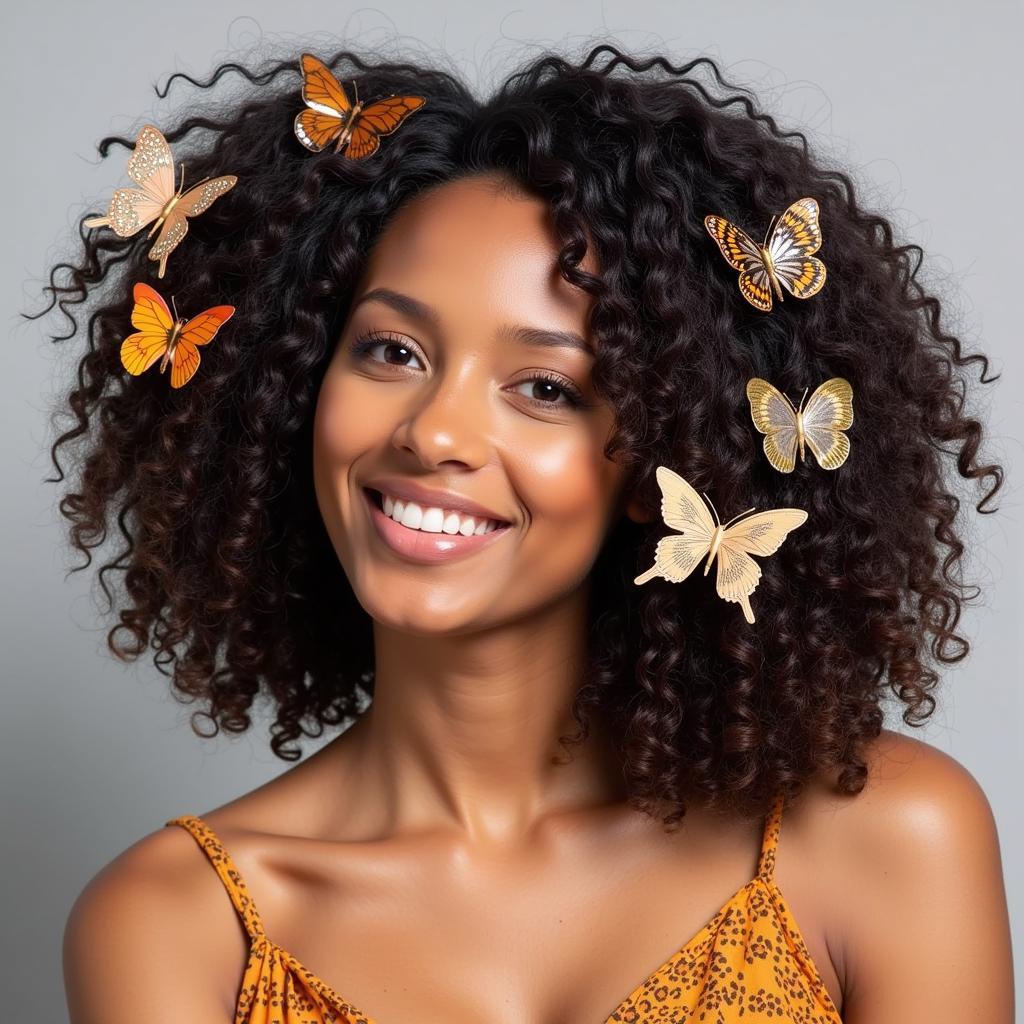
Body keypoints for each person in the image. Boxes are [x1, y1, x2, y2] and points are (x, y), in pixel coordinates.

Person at [46, 43, 1012, 1023]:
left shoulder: (885, 836)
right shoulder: (178, 925)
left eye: (543, 388)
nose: (432, 432)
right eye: (393, 350)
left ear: (658, 462)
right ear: (293, 388)